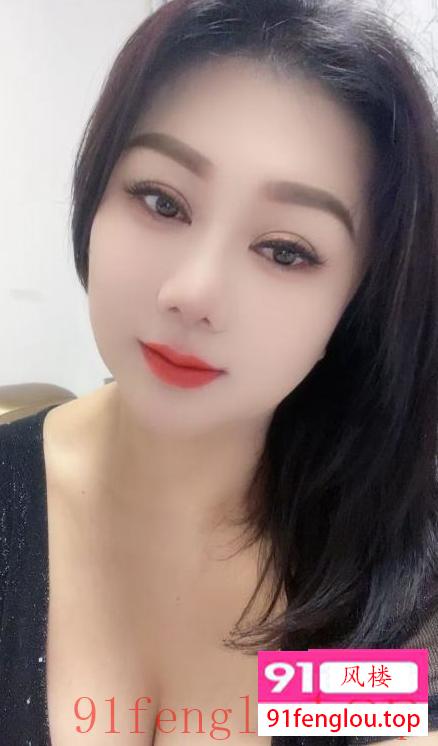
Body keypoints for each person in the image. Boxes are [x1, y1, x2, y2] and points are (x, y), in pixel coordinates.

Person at [1, 0, 437, 743]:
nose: (193, 293)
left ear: (357, 304)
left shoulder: (387, 569)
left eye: (286, 251)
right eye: (162, 201)